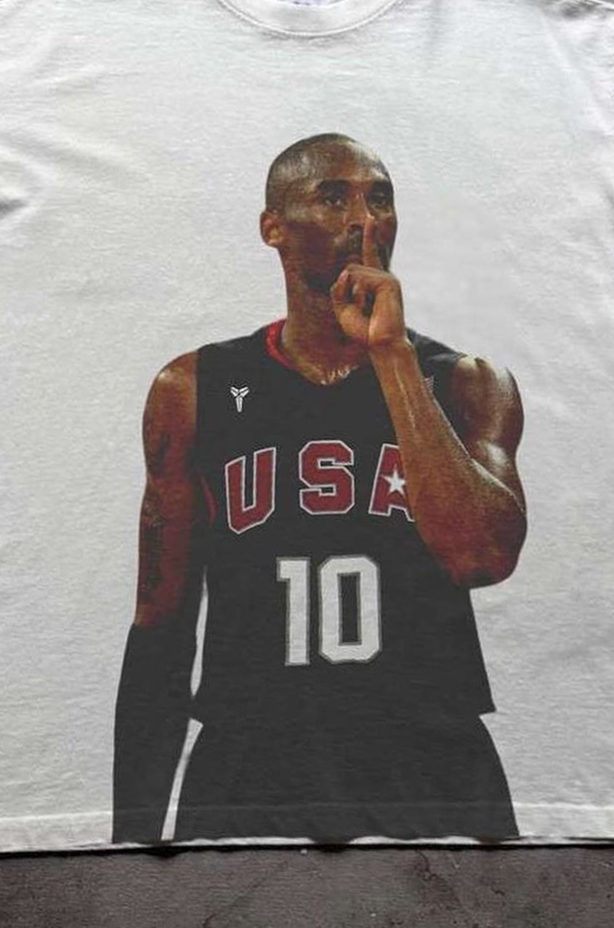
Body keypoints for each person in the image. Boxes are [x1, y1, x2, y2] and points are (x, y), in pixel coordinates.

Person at [112, 133, 528, 844]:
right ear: (273, 227)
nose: (363, 220)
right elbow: (161, 622)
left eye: (380, 199)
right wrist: (130, 839)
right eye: (333, 198)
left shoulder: (467, 383)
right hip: (251, 755)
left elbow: (481, 558)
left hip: (431, 752)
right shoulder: (195, 388)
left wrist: (391, 355)